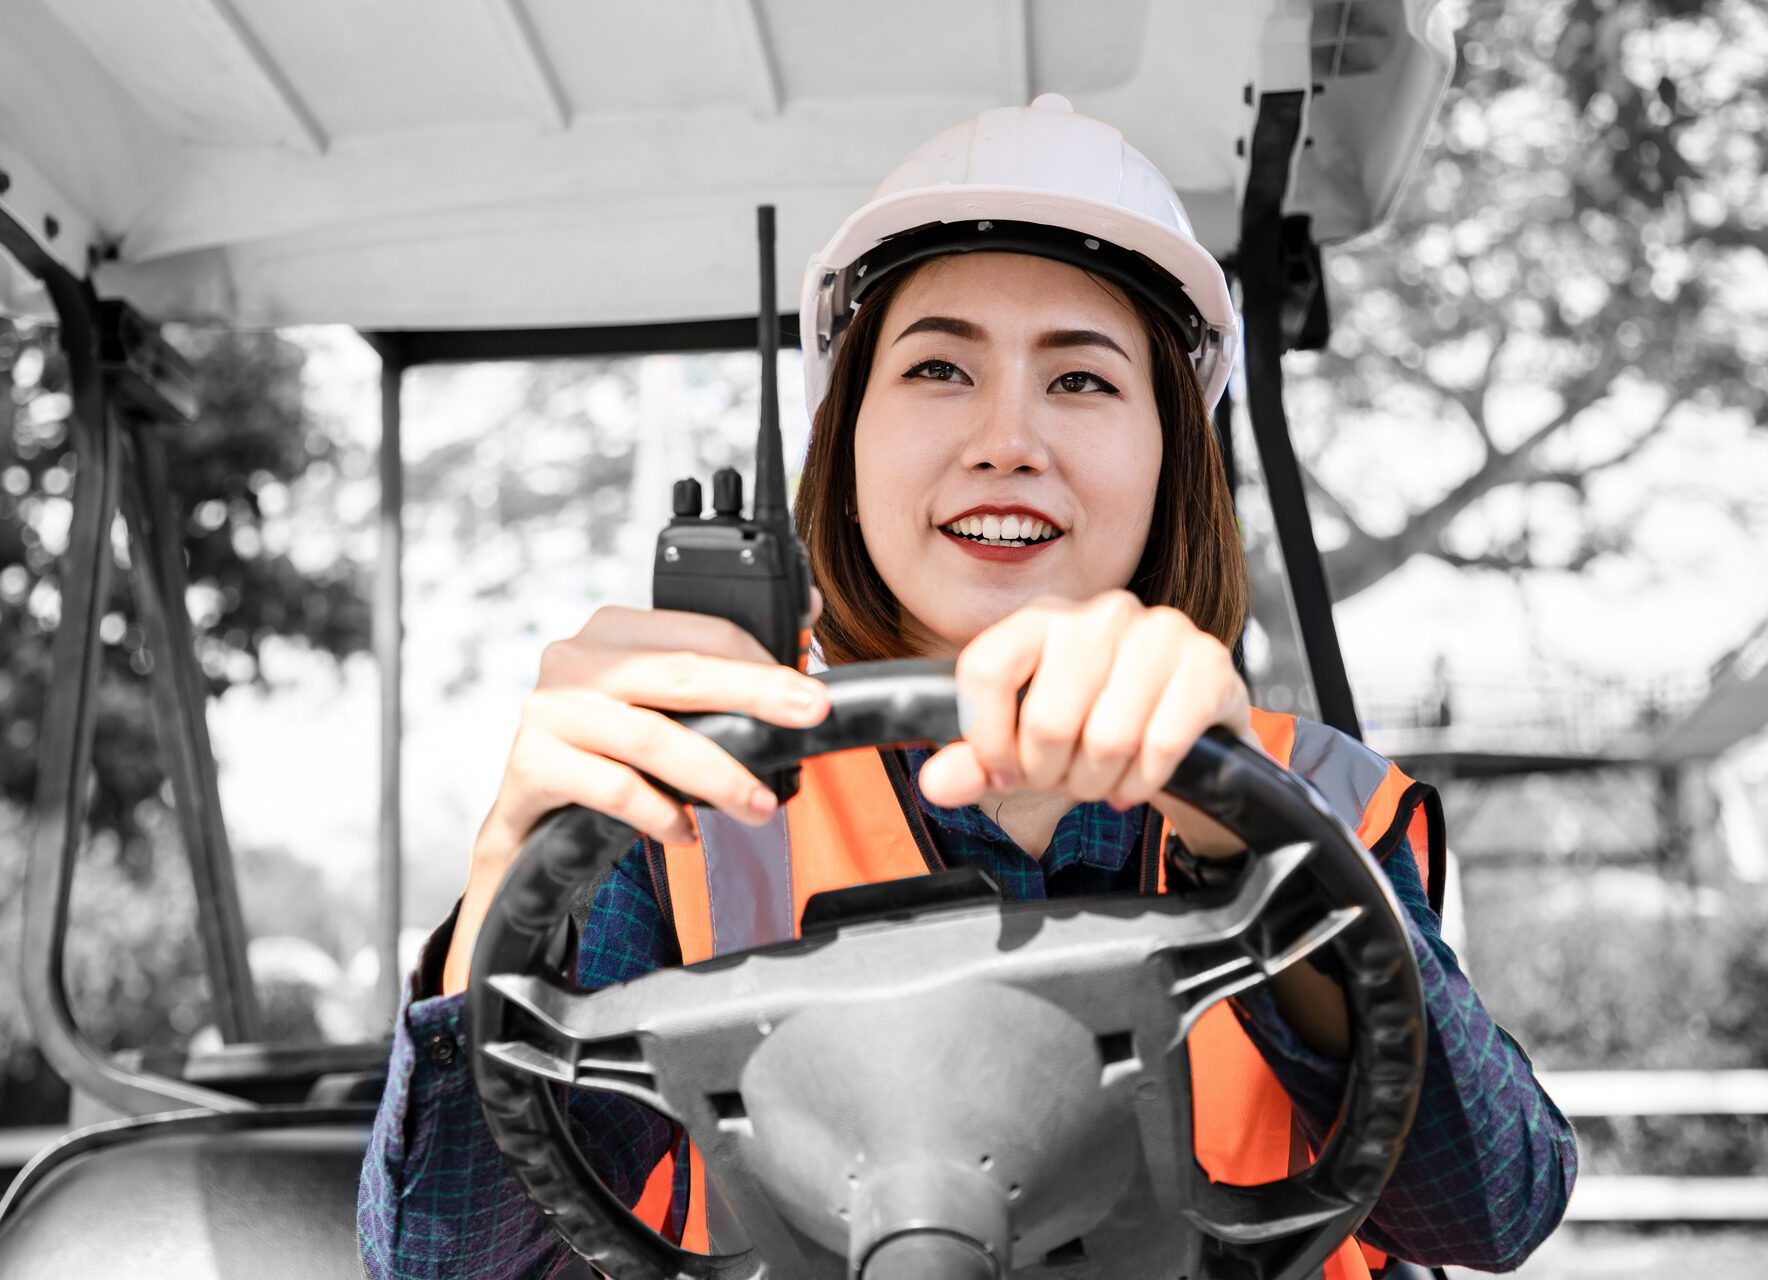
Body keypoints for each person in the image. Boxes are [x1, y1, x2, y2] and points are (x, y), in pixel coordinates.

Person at [357, 95, 1575, 1279]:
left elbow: (1491, 1204)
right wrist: (495, 905)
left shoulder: (1315, 795)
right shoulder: (681, 795)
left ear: (1170, 456)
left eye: (1083, 379)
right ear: (846, 440)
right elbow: (450, 1262)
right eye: (939, 370)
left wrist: (1234, 818)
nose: (1006, 438)